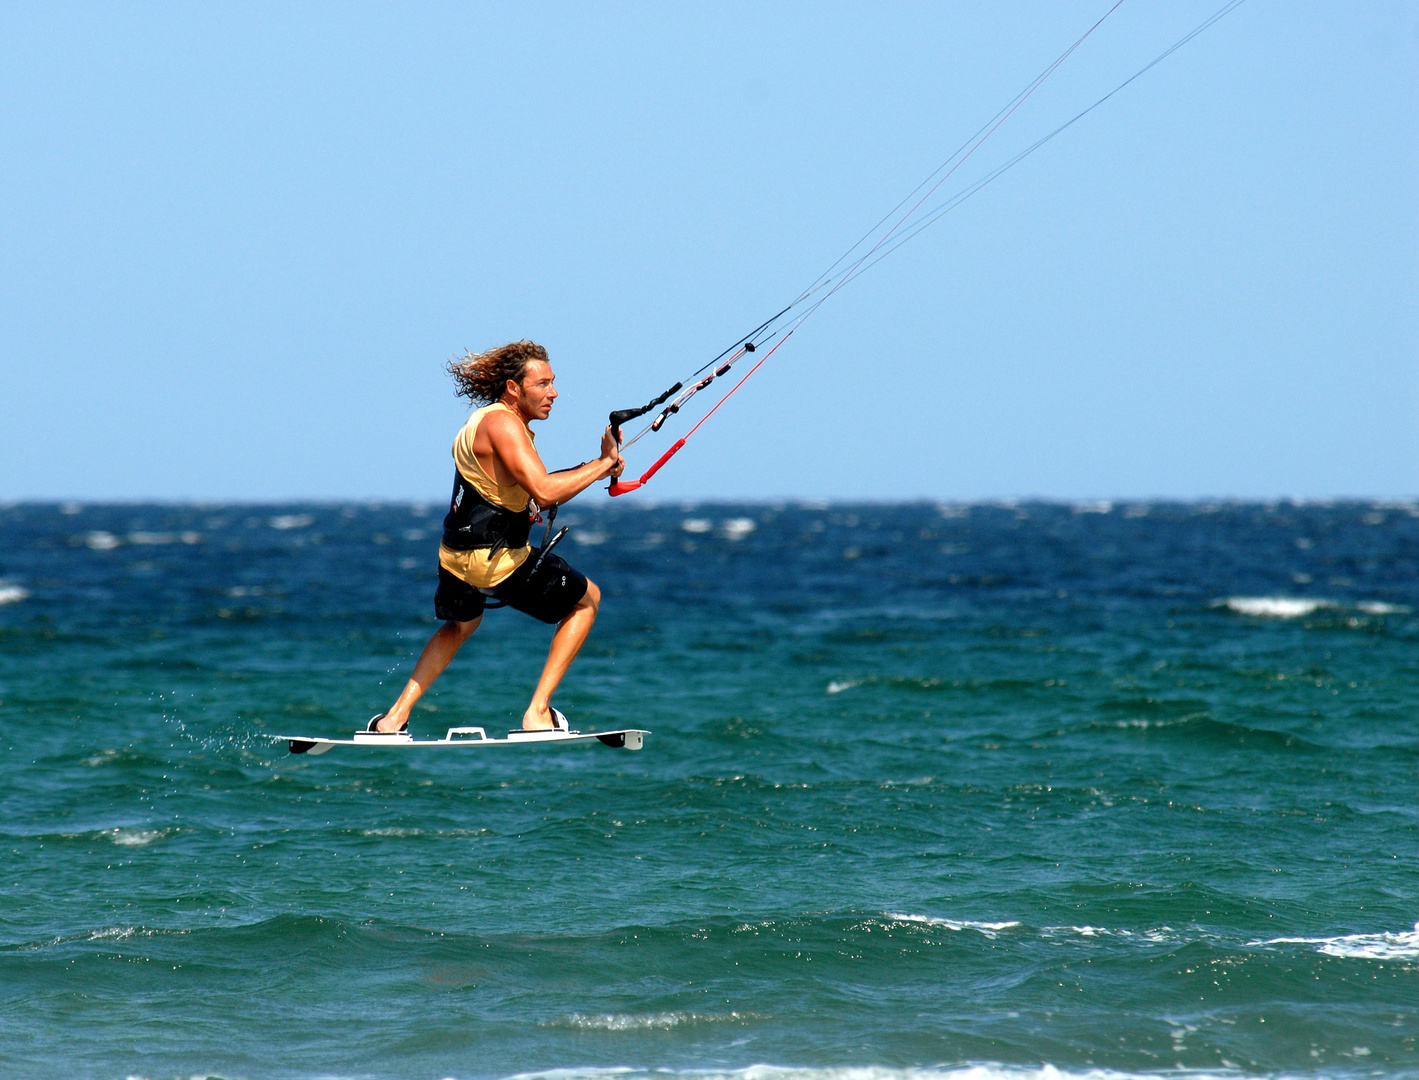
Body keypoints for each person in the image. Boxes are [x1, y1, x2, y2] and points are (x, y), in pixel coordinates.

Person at [368, 340, 623, 735]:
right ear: (513, 388)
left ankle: (394, 717)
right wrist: (605, 463)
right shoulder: (505, 425)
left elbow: (509, 490)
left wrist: (595, 468)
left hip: (455, 556)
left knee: (460, 626)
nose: (553, 392)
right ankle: (538, 712)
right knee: (588, 599)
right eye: (542, 384)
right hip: (493, 561)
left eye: (553, 383)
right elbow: (545, 490)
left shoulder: (485, 420)